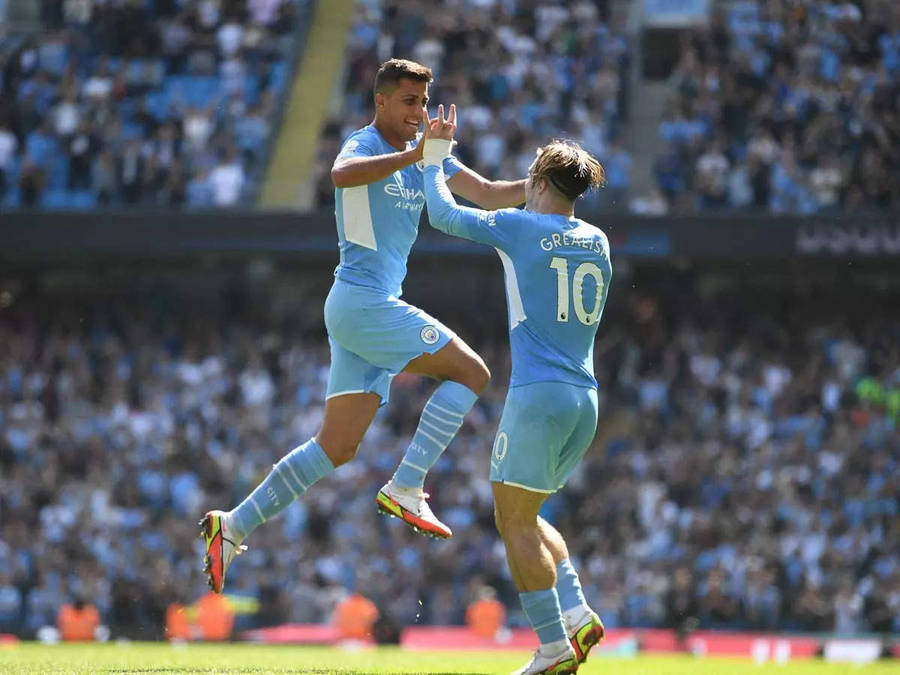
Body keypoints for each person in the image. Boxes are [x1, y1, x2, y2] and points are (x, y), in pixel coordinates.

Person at [201, 58, 525, 593]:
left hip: (365, 308)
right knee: (471, 372)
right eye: (408, 102)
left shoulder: (425, 155)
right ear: (380, 101)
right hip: (360, 300)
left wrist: (543, 189)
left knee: (336, 447)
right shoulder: (368, 145)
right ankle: (407, 484)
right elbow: (339, 176)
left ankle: (232, 525)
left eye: (424, 102)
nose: (419, 112)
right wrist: (415, 155)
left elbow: (488, 193)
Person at [419, 107, 609, 674]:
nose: (524, 182)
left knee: (515, 521)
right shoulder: (597, 238)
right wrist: (447, 157)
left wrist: (431, 163)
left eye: (531, 174)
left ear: (544, 183)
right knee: (523, 513)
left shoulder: (524, 227)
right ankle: (575, 611)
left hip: (539, 393)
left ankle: (554, 647)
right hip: (584, 399)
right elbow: (494, 195)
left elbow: (444, 216)